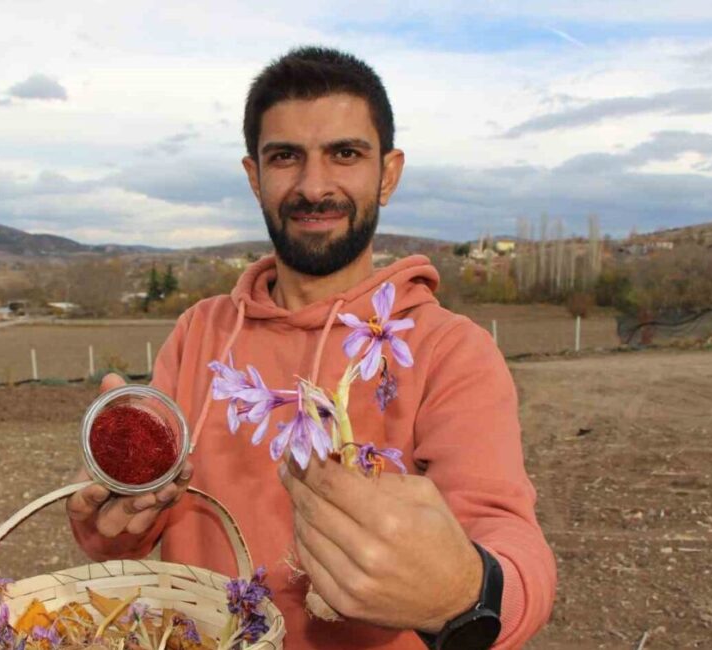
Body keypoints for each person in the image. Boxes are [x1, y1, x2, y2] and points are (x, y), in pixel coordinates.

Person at [68, 46, 556, 649]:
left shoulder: (449, 351)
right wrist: (113, 526)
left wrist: (467, 593)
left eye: (345, 154)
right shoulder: (200, 332)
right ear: (255, 177)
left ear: (389, 173)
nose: (314, 186)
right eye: (285, 157)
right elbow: (138, 523)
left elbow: (511, 541)